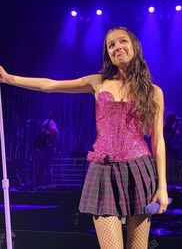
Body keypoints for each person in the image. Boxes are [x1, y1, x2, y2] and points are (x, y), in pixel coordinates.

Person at [0, 26, 168, 249]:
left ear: (134, 46)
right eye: (111, 45)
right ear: (108, 54)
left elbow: (158, 141)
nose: (117, 47)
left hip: (139, 170)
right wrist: (9, 78)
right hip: (103, 170)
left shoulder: (153, 92)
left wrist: (162, 187)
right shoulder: (98, 82)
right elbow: (51, 85)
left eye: (122, 41)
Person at [33, 118, 58, 188]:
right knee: (45, 166)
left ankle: (49, 183)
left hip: (50, 150)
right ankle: (44, 182)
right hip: (47, 150)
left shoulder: (53, 131)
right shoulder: (48, 131)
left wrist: (45, 133)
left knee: (47, 166)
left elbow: (53, 139)